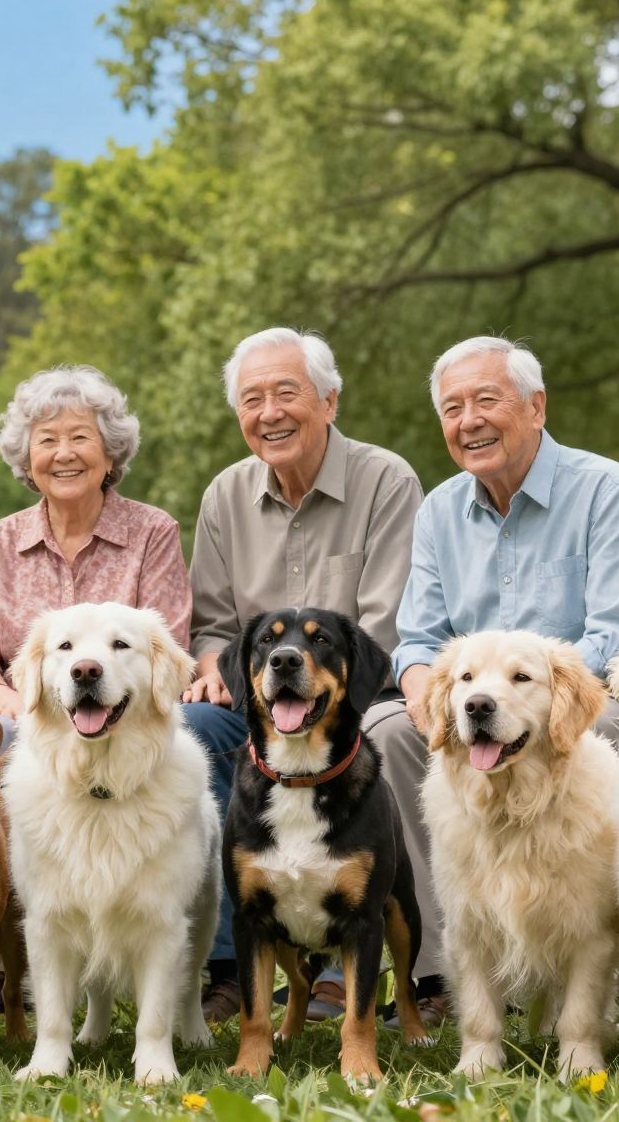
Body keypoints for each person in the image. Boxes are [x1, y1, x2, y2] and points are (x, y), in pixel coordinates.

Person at [378, 335, 619, 1016]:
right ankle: (442, 976)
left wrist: (540, 702)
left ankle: (603, 950)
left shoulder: (605, 489)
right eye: (453, 408)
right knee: (389, 731)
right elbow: (419, 638)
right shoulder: (440, 511)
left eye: (487, 400)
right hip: (470, 699)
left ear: (537, 407)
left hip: (581, 697)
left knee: (617, 728)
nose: (468, 420)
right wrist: (427, 698)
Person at [179, 327, 424, 1024]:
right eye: (253, 399)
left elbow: (384, 629)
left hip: (355, 702)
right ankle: (232, 964)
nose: (270, 412)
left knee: (385, 727)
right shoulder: (225, 495)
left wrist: (324, 688)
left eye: (287, 392)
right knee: (196, 726)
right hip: (256, 704)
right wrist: (208, 671)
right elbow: (216, 628)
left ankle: (356, 960)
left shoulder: (387, 481)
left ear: (330, 401)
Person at [0, 365, 190, 731]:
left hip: (126, 727)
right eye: (47, 441)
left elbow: (166, 653)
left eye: (79, 438)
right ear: (27, 462)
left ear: (110, 455)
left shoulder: (153, 532)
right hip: (24, 726)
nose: (64, 454)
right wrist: (14, 708)